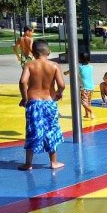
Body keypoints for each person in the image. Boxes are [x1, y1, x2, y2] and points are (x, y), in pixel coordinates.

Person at [18, 39, 65, 171]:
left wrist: (24, 98)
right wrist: (58, 93)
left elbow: (22, 82)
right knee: (51, 130)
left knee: (32, 131)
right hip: (49, 102)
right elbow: (62, 85)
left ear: (33, 52)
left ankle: (28, 163)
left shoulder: (29, 65)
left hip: (33, 102)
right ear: (48, 52)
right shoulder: (54, 66)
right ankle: (53, 162)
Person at [64, 52, 95, 119]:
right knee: (88, 102)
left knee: (83, 102)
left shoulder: (79, 67)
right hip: (91, 87)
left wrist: (66, 73)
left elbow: (71, 70)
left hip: (84, 88)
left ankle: (91, 111)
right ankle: (87, 114)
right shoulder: (91, 67)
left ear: (80, 59)